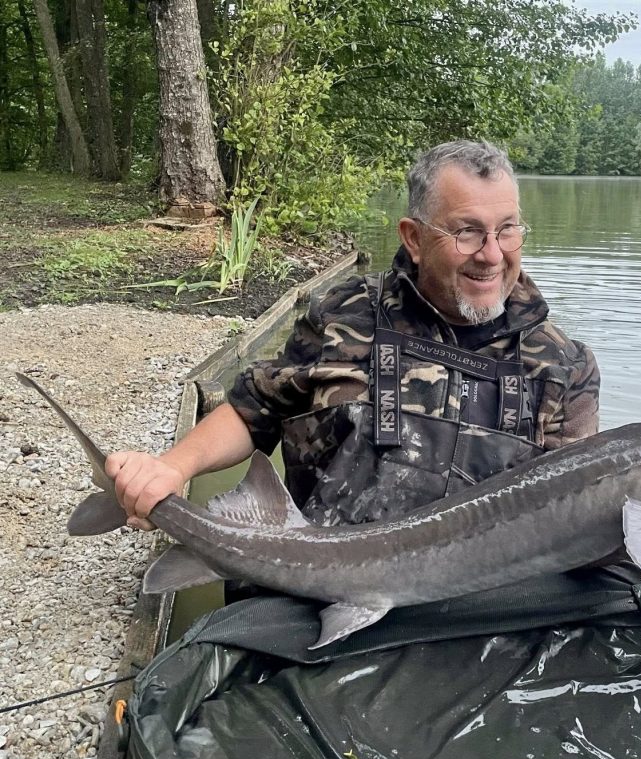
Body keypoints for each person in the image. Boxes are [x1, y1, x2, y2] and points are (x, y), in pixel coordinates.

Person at [106, 140, 601, 529]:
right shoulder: (345, 313)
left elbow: (575, 509)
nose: (492, 254)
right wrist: (173, 467)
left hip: (477, 613)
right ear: (413, 237)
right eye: (466, 232)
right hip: (312, 578)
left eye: (507, 229)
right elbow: (253, 410)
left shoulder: (564, 364)